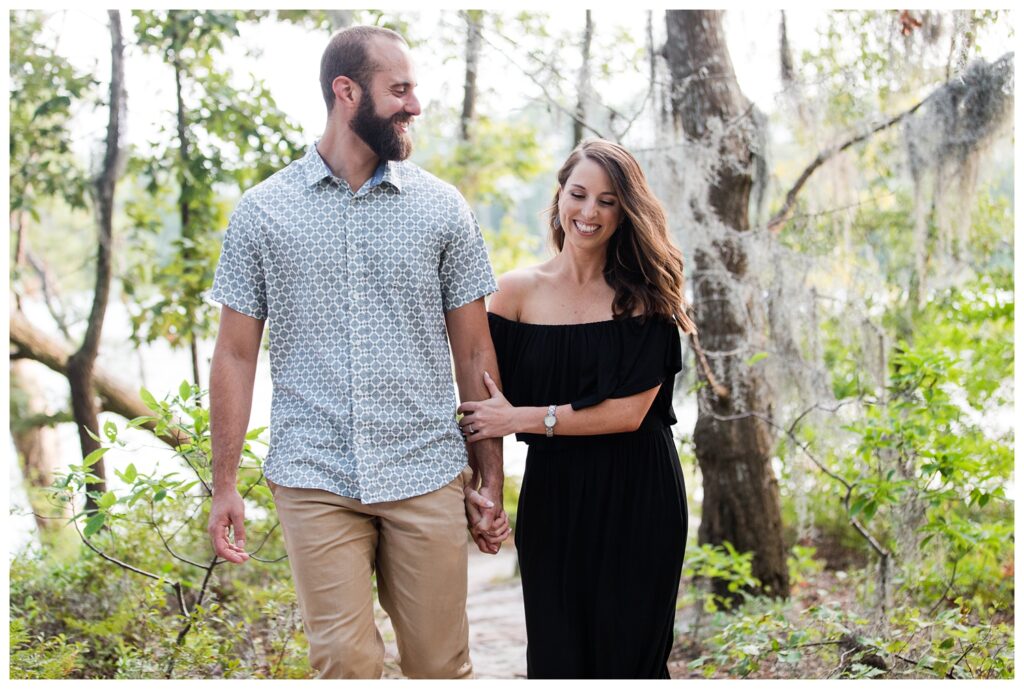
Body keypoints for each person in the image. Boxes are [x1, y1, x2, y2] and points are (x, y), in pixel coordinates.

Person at [206, 25, 509, 680]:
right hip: (314, 473)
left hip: (424, 466)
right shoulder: (263, 212)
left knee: (439, 663)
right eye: (399, 89)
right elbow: (234, 353)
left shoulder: (442, 210)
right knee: (343, 662)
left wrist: (491, 474)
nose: (414, 105)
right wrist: (224, 482)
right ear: (347, 92)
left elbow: (474, 351)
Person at [459, 139, 694, 679]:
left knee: (630, 658)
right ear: (559, 196)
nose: (589, 213)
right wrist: (486, 489)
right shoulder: (515, 294)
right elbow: (483, 399)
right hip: (554, 498)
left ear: (626, 210)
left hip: (640, 497)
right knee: (557, 656)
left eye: (608, 201)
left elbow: (627, 414)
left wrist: (523, 418)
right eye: (579, 194)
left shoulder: (647, 296)